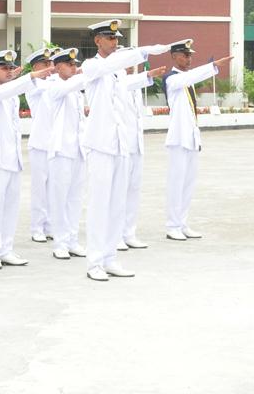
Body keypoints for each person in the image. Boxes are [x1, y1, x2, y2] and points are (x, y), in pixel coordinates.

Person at [78, 20, 171, 282]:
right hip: (100, 145)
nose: (115, 42)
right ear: (98, 40)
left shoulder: (118, 72)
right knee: (99, 205)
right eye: (110, 38)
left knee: (117, 205)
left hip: (119, 145)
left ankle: (109, 258)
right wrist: (144, 51)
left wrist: (146, 73)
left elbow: (126, 85)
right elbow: (110, 65)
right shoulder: (92, 65)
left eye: (117, 38)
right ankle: (94, 262)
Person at [0, 49, 46, 269]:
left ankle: (6, 248)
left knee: (10, 207)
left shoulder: (11, 93)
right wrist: (30, 77)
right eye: (3, 68)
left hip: (11, 158)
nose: (8, 72)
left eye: (9, 68)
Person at [163, 39, 231, 238]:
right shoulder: (171, 79)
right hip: (178, 139)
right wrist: (213, 67)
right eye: (185, 55)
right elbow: (188, 78)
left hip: (190, 138)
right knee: (176, 184)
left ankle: (182, 223)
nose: (189, 58)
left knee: (188, 184)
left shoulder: (187, 80)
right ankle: (172, 226)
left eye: (190, 55)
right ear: (174, 57)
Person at [43, 47, 89, 260]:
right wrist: (89, 72)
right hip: (60, 150)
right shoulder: (52, 85)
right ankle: (60, 243)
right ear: (57, 66)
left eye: (74, 64)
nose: (73, 68)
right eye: (69, 64)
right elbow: (64, 89)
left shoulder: (74, 89)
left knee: (75, 199)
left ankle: (72, 240)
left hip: (77, 149)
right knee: (59, 199)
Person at [120, 59, 167, 250]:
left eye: (134, 61)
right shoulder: (117, 82)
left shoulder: (136, 85)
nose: (132, 64)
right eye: (128, 60)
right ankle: (115, 235)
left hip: (136, 145)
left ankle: (129, 232)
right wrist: (147, 75)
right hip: (121, 145)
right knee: (118, 193)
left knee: (133, 191)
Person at [23, 46, 57, 244]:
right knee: (39, 189)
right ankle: (37, 227)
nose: (50, 67)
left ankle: (50, 225)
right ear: (35, 66)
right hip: (39, 143)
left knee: (54, 188)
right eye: (45, 64)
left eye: (51, 63)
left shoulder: (53, 83)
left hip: (54, 144)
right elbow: (48, 87)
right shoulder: (34, 85)